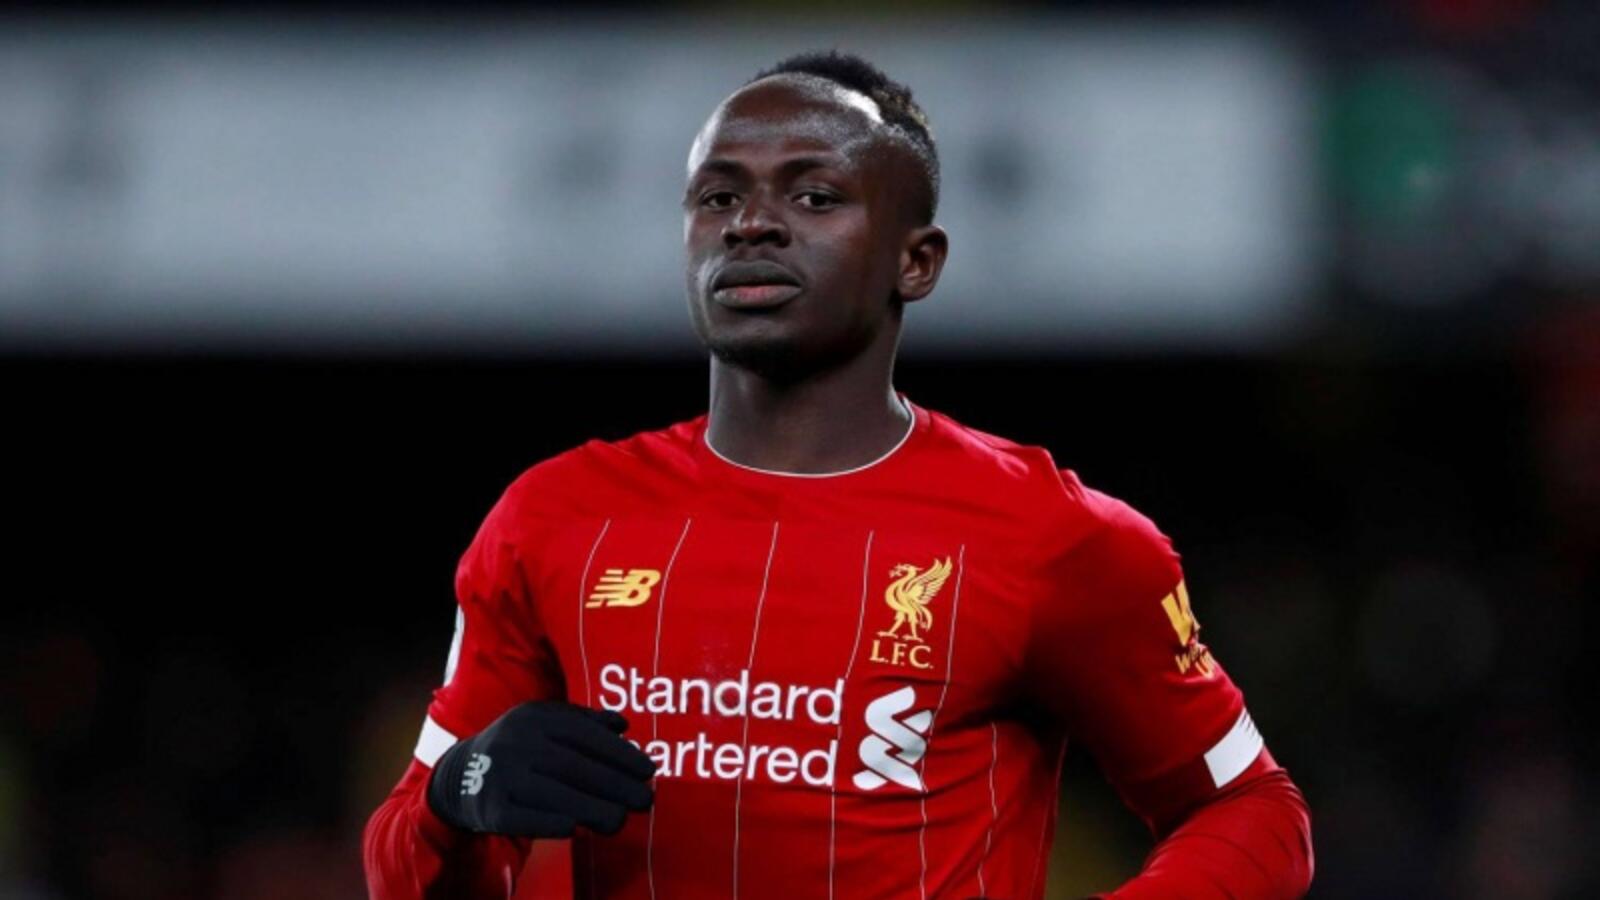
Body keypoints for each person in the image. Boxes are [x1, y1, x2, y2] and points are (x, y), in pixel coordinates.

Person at [364, 50, 1313, 899]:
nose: (751, 225)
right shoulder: (556, 517)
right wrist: (459, 795)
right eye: (717, 198)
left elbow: (1254, 812)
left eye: (814, 197)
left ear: (917, 261)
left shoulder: (1053, 537)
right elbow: (403, 867)